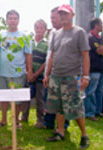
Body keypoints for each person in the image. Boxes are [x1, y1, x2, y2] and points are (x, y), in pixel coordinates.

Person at [43, 4, 90, 149]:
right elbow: (52, 56)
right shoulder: (56, 34)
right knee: (58, 107)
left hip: (71, 76)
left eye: (65, 14)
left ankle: (84, 135)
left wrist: (86, 77)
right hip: (56, 76)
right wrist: (47, 74)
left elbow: (85, 55)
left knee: (76, 108)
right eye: (60, 14)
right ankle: (60, 132)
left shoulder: (79, 32)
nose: (63, 17)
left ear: (72, 15)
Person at [0, 9, 32, 128]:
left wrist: (29, 70)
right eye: (10, 18)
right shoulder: (1, 35)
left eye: (15, 18)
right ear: (6, 21)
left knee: (17, 99)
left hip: (18, 72)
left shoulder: (24, 36)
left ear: (18, 20)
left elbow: (28, 55)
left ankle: (15, 121)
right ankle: (4, 120)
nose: (12, 21)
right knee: (3, 97)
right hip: (3, 72)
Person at [43, 6, 69, 130]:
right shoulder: (52, 33)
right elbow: (50, 55)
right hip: (51, 72)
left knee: (63, 101)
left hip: (65, 73)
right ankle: (49, 123)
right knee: (50, 99)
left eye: (54, 18)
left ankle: (63, 126)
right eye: (51, 18)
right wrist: (46, 74)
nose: (52, 20)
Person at [21, 19, 48, 128]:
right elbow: (25, 57)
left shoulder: (47, 44)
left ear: (45, 30)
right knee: (26, 96)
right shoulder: (29, 42)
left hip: (40, 76)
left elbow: (46, 62)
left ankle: (40, 120)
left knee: (40, 98)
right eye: (37, 27)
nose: (39, 30)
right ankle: (24, 117)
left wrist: (36, 74)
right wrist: (29, 72)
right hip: (28, 74)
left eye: (41, 28)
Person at [84, 18, 103, 121]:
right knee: (91, 91)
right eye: (101, 24)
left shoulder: (99, 38)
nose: (102, 26)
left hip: (100, 69)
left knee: (99, 91)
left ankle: (97, 111)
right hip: (93, 69)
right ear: (96, 25)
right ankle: (89, 112)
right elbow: (100, 51)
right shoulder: (90, 38)